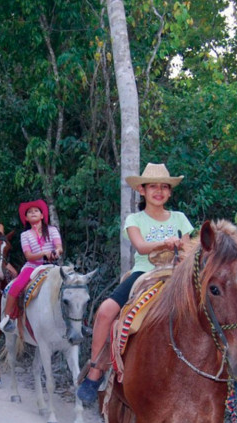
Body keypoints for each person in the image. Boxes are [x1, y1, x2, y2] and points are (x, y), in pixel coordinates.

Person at [76, 163, 193, 404]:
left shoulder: (180, 218)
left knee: (216, 304)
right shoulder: (135, 218)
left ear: (170, 192)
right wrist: (165, 243)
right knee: (106, 311)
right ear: (142, 190)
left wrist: (183, 249)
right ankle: (95, 371)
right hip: (144, 273)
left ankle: (228, 381)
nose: (159, 191)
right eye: (153, 187)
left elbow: (189, 248)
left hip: (176, 273)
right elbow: (140, 246)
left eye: (164, 187)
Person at [0, 199, 63, 333]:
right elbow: (28, 256)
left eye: (36, 211)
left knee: (72, 284)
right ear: (26, 218)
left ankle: (79, 322)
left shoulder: (52, 230)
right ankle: (8, 318)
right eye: (29, 212)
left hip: (51, 266)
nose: (33, 213)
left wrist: (56, 252)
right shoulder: (25, 235)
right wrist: (43, 253)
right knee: (16, 285)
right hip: (32, 266)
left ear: (42, 215)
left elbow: (59, 247)